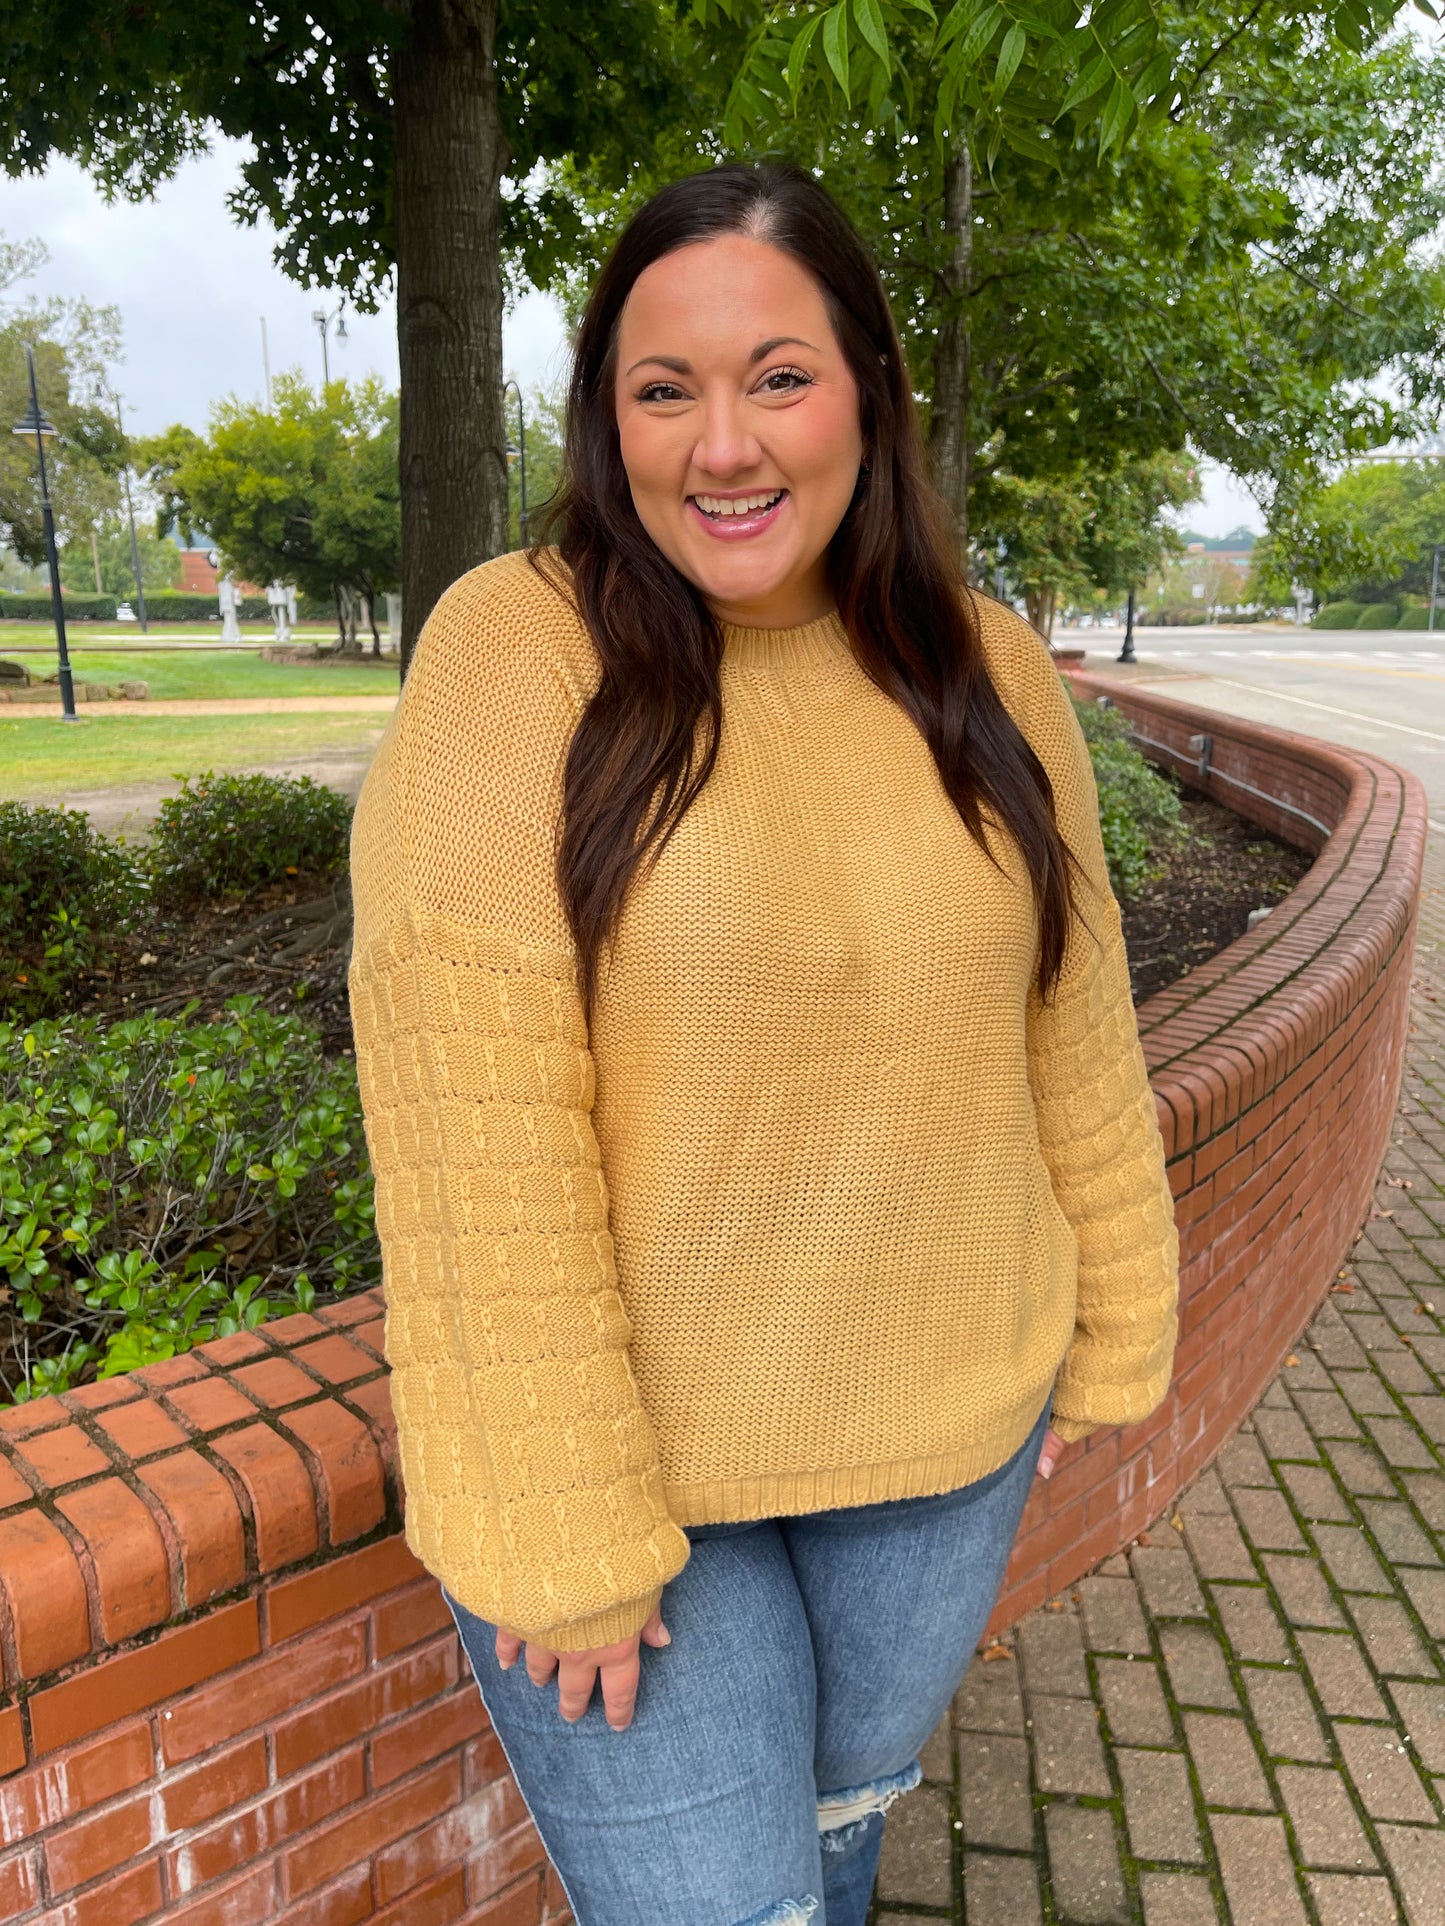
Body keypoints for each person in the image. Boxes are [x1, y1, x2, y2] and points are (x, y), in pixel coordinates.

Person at [347, 162, 1178, 1926]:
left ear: (866, 392)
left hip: (943, 1445)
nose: (722, 446)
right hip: (638, 1489)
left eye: (778, 377)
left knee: (835, 1848)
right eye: (666, 390)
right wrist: (559, 1530)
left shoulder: (985, 666)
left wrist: (1109, 1322)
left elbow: (1069, 1016)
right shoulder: (516, 652)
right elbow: (470, 1108)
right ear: (608, 419)